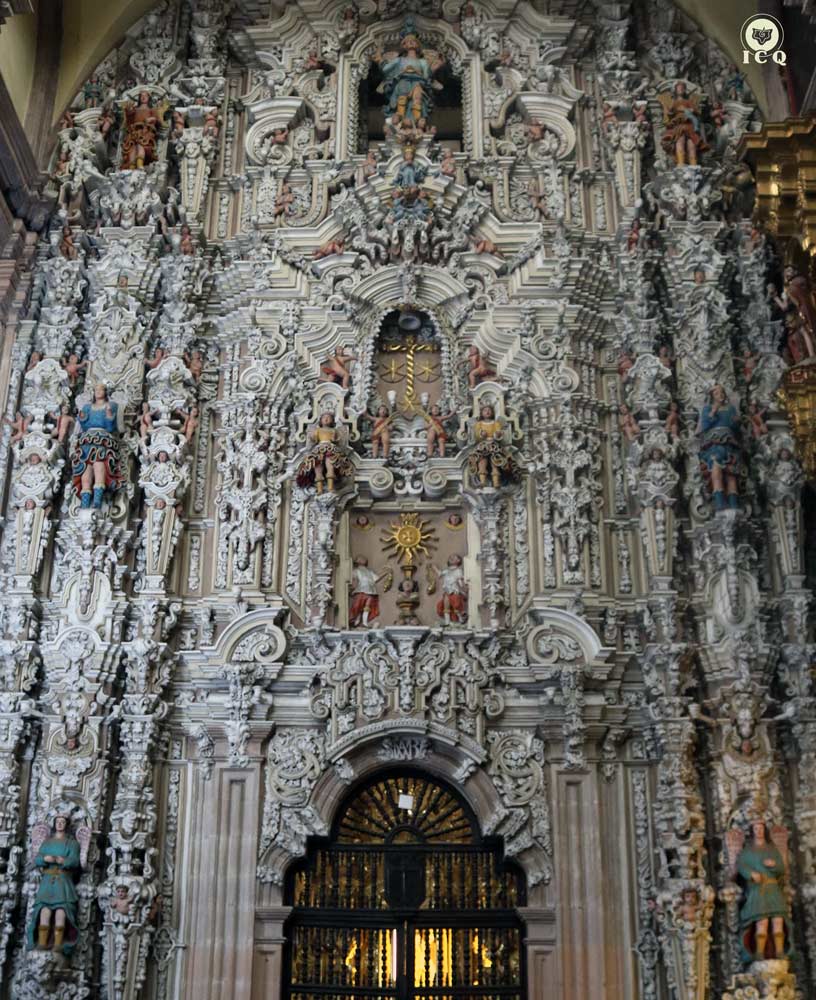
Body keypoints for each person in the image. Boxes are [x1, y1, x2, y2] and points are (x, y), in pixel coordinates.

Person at [736, 821, 790, 964]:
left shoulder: (772, 849)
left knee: (778, 921)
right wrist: (751, 874)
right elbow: (741, 865)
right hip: (757, 890)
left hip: (773, 889)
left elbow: (781, 868)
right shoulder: (747, 851)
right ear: (752, 831)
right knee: (762, 923)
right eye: (756, 829)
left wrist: (774, 865)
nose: (759, 831)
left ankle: (780, 952)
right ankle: (759, 953)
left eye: (761, 828)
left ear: (764, 830)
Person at [26, 816, 81, 955]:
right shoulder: (47, 842)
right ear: (54, 824)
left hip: (63, 881)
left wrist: (64, 861)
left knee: (61, 911)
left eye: (63, 822)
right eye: (58, 822)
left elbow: (75, 861)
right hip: (47, 881)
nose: (60, 824)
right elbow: (38, 859)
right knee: (44, 911)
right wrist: (45, 858)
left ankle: (58, 944)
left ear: (66, 825)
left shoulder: (72, 843)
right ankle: (42, 942)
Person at [72, 384, 124, 509]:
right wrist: (82, 418)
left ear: (106, 392)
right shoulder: (87, 407)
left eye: (101, 389)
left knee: (99, 466)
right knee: (85, 471)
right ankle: (85, 504)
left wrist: (109, 416)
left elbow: (111, 427)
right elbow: (84, 427)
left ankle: (97, 501)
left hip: (102, 440)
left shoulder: (111, 405)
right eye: (96, 390)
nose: (98, 392)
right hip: (87, 440)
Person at [373, 34, 444, 126]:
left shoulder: (422, 62)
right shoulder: (399, 60)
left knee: (417, 97)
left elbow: (426, 76)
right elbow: (385, 69)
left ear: (417, 45)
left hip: (418, 81)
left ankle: (417, 120)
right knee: (402, 95)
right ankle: (400, 117)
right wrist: (380, 60)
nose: (410, 42)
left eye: (413, 41)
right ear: (404, 46)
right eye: (407, 41)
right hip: (403, 80)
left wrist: (434, 68)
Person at [697, 384, 743, 511]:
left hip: (729, 443)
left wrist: (736, 422)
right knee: (716, 469)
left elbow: (734, 428)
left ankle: (733, 504)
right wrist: (713, 412)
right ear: (712, 396)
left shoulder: (730, 409)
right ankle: (719, 502)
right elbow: (704, 426)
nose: (720, 395)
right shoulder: (707, 408)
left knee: (731, 473)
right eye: (717, 393)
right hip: (713, 443)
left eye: (722, 392)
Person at [296, 413, 353, 494]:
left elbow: (337, 439)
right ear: (321, 421)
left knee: (331, 465)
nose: (326, 419)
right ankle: (320, 489)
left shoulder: (333, 430)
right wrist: (311, 435)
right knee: (317, 464)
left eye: (328, 418)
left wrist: (334, 438)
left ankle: (330, 487)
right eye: (324, 418)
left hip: (331, 448)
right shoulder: (318, 430)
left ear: (332, 421)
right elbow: (314, 439)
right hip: (319, 449)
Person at [469, 404, 517, 488]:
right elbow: (476, 434)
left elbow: (499, 432)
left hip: (494, 445)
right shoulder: (479, 424)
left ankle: (496, 482)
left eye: (489, 410)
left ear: (492, 412)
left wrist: (497, 434)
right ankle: (482, 481)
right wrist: (481, 434)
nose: (487, 412)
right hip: (483, 445)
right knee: (482, 462)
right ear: (481, 413)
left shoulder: (496, 423)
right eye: (485, 410)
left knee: (495, 462)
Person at [349, 556, 389, 627]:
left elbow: (376, 578)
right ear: (358, 561)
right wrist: (352, 589)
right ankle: (356, 621)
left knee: (367, 606)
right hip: (360, 590)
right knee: (358, 605)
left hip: (371, 591)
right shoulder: (356, 571)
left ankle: (364, 622)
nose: (364, 559)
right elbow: (354, 581)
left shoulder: (369, 571)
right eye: (361, 558)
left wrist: (386, 572)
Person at [433, 554, 467, 625]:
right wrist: (435, 568)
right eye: (451, 557)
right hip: (447, 591)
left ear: (458, 561)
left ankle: (461, 618)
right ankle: (447, 622)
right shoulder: (446, 571)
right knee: (446, 605)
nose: (451, 558)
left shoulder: (458, 571)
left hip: (454, 590)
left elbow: (460, 580)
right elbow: (440, 573)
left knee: (456, 605)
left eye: (454, 557)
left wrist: (463, 587)